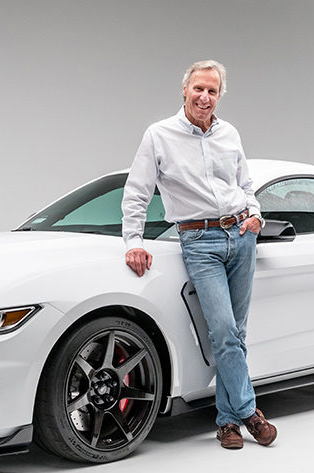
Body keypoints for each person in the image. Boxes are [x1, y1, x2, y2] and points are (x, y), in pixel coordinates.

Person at [121, 60, 277, 450]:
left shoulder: (230, 134)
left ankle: (226, 423)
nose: (204, 97)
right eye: (198, 89)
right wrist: (133, 241)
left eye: (212, 91)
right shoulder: (159, 135)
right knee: (223, 331)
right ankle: (250, 413)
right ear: (185, 90)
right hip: (199, 241)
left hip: (241, 236)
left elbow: (244, 183)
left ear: (219, 95)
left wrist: (255, 215)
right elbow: (137, 191)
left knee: (235, 336)